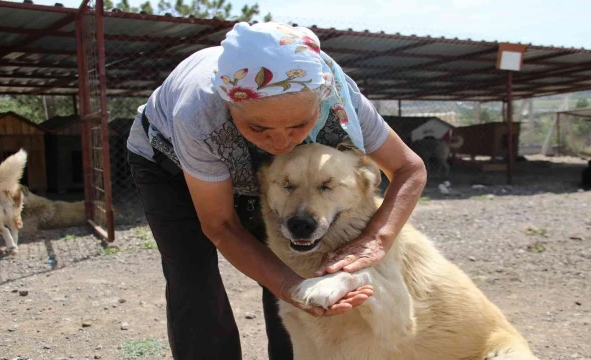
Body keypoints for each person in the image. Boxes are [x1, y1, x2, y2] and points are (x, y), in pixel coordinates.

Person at [126, 21, 427, 360]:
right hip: (170, 167)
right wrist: (291, 288)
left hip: (278, 181)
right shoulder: (197, 114)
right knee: (193, 277)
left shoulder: (341, 98)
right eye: (258, 127)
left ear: (321, 101)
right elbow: (221, 226)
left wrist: (377, 239)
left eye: (300, 125)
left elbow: (408, 168)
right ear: (229, 107)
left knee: (296, 267)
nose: (283, 143)